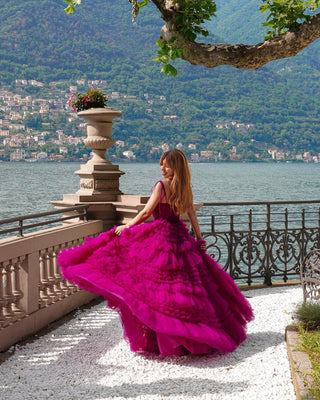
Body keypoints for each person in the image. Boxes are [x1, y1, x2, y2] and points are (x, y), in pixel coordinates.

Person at [58, 149, 254, 356]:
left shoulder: (162, 186)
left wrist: (127, 226)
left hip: (162, 237)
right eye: (161, 163)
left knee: (159, 289)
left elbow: (146, 212)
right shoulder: (185, 187)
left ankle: (166, 338)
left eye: (166, 165)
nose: (162, 168)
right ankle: (187, 338)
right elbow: (191, 214)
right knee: (184, 289)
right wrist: (198, 237)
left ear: (175, 167)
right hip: (180, 236)